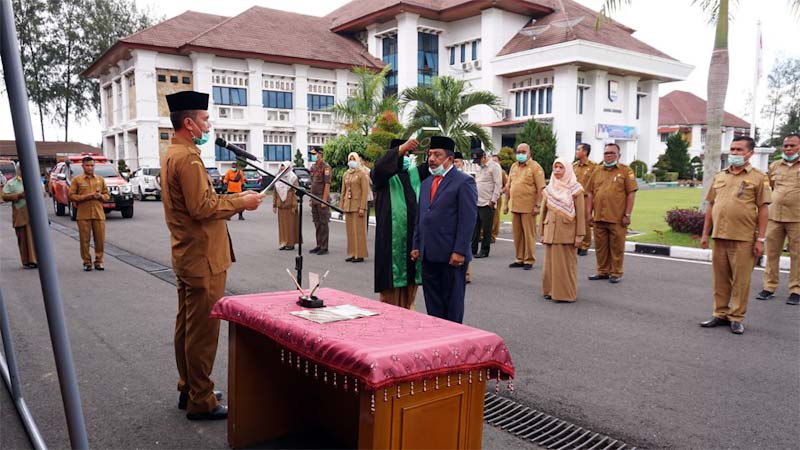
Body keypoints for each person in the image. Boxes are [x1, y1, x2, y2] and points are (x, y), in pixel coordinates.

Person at [161, 90, 263, 420]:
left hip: (187, 253)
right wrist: (240, 202)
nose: (208, 125)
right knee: (203, 332)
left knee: (187, 326)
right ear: (189, 123)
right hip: (203, 257)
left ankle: (189, 387)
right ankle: (201, 400)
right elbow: (202, 207)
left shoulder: (172, 153)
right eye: (204, 119)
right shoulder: (188, 158)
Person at [700, 136, 771, 334]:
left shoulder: (758, 177)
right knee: (720, 279)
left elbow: (763, 209)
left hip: (743, 238)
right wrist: (705, 234)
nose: (735, 153)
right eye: (732, 149)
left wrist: (760, 239)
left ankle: (736, 317)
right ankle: (720, 313)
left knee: (741, 281)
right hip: (720, 236)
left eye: (739, 150)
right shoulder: (720, 176)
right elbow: (711, 206)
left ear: (750, 153)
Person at [411, 136, 478, 323]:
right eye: (430, 154)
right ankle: (437, 340)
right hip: (428, 254)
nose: (431, 159)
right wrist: (417, 244)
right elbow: (421, 217)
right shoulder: (426, 184)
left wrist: (459, 251)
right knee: (433, 304)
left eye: (437, 155)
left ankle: (454, 346)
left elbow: (468, 220)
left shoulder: (463, 182)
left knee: (452, 304)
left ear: (449, 159)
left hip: (451, 256)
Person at [372, 138, 428, 309]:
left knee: (411, 285)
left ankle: (409, 314)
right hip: (391, 240)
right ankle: (389, 319)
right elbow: (379, 168)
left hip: (412, 240)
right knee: (390, 290)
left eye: (408, 154)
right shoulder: (383, 177)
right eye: (403, 153)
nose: (406, 157)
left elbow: (435, 164)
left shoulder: (414, 174)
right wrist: (401, 149)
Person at [757, 134, 800, 305]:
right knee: (772, 252)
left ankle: (796, 289)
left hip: (797, 218)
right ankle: (769, 287)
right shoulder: (775, 166)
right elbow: (771, 188)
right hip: (775, 217)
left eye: (792, 146)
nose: (788, 149)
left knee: (797, 255)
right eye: (786, 145)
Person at [585, 143, 637, 284]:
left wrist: (627, 214)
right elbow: (589, 193)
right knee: (600, 246)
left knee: (617, 246)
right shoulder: (597, 171)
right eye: (606, 153)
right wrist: (588, 212)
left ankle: (616, 272)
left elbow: (631, 194)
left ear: (618, 155)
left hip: (617, 217)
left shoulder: (626, 171)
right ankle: (602, 271)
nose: (608, 156)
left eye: (612, 153)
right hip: (599, 216)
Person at [539, 159, 586, 302]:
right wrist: (541, 232)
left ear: (568, 170)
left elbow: (580, 213)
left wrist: (579, 235)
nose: (557, 170)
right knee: (549, 266)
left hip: (567, 232)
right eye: (555, 167)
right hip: (550, 231)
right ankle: (550, 291)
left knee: (565, 266)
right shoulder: (549, 188)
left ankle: (565, 294)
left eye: (561, 168)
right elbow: (543, 212)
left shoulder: (575, 189)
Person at [504, 143, 545, 270]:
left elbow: (540, 188)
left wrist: (537, 205)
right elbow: (508, 187)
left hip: (529, 207)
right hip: (515, 206)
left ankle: (529, 259)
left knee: (529, 234)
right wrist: (506, 204)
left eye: (523, 152)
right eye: (518, 152)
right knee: (517, 235)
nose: (520, 154)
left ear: (529, 153)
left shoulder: (535, 167)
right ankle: (519, 258)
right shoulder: (514, 166)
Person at [69, 156, 110, 271]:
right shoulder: (77, 180)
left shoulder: (100, 179)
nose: (90, 167)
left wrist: (100, 196)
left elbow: (107, 195)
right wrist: (87, 197)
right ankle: (87, 262)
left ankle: (99, 261)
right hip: (83, 215)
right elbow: (71, 196)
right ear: (82, 166)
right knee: (84, 240)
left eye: (92, 165)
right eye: (87, 165)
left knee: (100, 240)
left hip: (98, 214)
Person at [2, 164, 38, 268]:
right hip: (20, 214)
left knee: (36, 238)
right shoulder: (12, 183)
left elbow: (43, 193)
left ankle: (37, 260)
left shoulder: (34, 180)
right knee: (23, 237)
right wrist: (18, 196)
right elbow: (4, 196)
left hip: (34, 214)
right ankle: (27, 261)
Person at [471, 148, 502, 258]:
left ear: (484, 157)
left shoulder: (494, 166)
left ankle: (484, 250)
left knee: (487, 228)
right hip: (477, 201)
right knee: (475, 227)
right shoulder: (479, 167)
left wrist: (493, 200)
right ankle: (473, 249)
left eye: (479, 160)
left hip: (487, 202)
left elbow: (498, 184)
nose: (478, 163)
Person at [340, 152, 370, 262]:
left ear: (357, 160)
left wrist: (362, 207)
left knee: (359, 231)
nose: (351, 160)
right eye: (350, 158)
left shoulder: (362, 174)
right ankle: (352, 253)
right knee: (350, 232)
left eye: (353, 158)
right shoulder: (346, 174)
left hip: (358, 206)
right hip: (348, 205)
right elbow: (343, 190)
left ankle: (360, 254)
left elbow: (365, 191)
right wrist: (342, 205)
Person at [573, 143, 597, 256]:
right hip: (574, 197)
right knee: (573, 220)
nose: (576, 151)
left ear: (585, 152)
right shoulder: (574, 166)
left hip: (586, 197)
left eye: (578, 149)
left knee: (585, 222)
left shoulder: (594, 167)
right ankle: (576, 241)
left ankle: (585, 245)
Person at [308, 147, 331, 255]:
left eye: (314, 153)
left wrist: (324, 200)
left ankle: (324, 246)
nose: (312, 155)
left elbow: (327, 185)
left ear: (320, 154)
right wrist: (310, 198)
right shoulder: (313, 167)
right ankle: (318, 244)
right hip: (314, 199)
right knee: (317, 223)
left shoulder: (326, 167)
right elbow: (312, 184)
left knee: (323, 223)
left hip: (322, 199)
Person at [273, 162, 298, 251]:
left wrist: (294, 205)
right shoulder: (278, 178)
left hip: (290, 204)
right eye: (281, 167)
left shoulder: (293, 177)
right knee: (282, 226)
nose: (282, 168)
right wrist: (274, 205)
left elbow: (296, 193)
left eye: (284, 167)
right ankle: (283, 242)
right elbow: (275, 193)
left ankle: (290, 243)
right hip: (281, 205)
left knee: (290, 225)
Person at [491, 155, 508, 243]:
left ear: (499, 162)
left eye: (495, 161)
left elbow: (507, 185)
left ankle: (493, 235)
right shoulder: (489, 170)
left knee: (495, 216)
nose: (493, 163)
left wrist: (500, 191)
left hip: (497, 196)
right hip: (488, 196)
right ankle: (482, 235)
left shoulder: (502, 172)